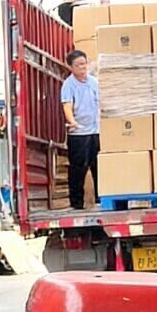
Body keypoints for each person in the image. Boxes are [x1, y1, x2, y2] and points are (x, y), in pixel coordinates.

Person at [61, 49, 100, 210]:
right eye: (78, 65)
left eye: (84, 64)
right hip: (79, 133)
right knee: (79, 168)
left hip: (95, 131)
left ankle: (100, 199)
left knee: (98, 166)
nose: (82, 67)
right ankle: (76, 202)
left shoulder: (93, 82)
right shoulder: (68, 85)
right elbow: (67, 105)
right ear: (71, 67)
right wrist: (72, 121)